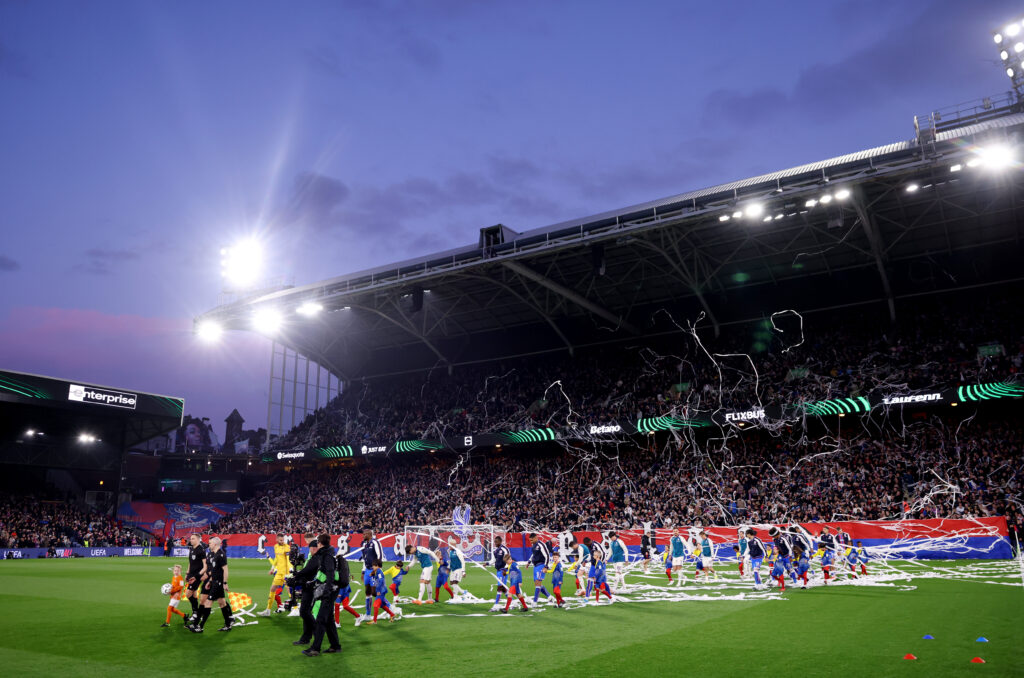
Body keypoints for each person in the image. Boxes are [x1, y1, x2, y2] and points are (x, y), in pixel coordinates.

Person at [305, 534, 341, 656]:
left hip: (329, 590)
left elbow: (330, 574)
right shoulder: (327, 554)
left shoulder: (327, 556)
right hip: (330, 589)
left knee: (321, 619)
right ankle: (335, 646)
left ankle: (315, 649)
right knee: (329, 619)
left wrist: (327, 591)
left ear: (320, 543)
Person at [190, 536, 233, 633]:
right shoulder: (214, 554)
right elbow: (214, 571)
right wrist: (209, 581)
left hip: (218, 583)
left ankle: (200, 627)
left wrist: (225, 583)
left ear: (215, 544)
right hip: (214, 581)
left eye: (210, 543)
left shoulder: (221, 555)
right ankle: (228, 624)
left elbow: (225, 570)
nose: (209, 544)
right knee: (222, 603)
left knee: (208, 603)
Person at [289, 533, 320, 646]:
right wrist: (298, 578)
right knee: (305, 612)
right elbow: (307, 570)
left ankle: (317, 633)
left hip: (312, 588)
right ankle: (306, 638)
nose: (309, 549)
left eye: (310, 546)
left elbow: (308, 570)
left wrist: (296, 577)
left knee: (305, 612)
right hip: (309, 587)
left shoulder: (317, 558)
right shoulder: (314, 557)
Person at [258, 533, 292, 617]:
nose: (282, 541)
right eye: (280, 540)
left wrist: (290, 570)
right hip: (279, 573)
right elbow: (276, 558)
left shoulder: (287, 547)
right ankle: (268, 610)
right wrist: (272, 568)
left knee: (289, 590)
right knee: (272, 588)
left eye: (283, 540)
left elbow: (288, 560)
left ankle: (295, 608)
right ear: (277, 540)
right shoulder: (275, 547)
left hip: (286, 572)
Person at [358, 528, 384, 623]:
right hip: (367, 571)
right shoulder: (365, 545)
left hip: (374, 571)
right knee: (367, 592)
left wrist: (376, 569)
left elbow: (380, 556)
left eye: (364, 534)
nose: (363, 536)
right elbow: (365, 559)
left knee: (375, 592)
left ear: (369, 534)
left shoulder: (375, 542)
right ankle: (368, 614)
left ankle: (389, 607)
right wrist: (363, 571)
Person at [333, 541, 359, 627]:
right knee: (344, 606)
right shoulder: (344, 562)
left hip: (341, 588)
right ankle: (357, 616)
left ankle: (337, 622)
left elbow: (336, 576)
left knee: (338, 605)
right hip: (346, 586)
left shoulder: (337, 563)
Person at [183, 533, 207, 622]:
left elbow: (205, 566)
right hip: (191, 574)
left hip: (197, 576)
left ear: (198, 539)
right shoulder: (192, 549)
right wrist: (187, 573)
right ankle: (196, 613)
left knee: (188, 594)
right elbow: (190, 562)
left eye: (193, 538)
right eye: (191, 538)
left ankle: (196, 613)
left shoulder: (201, 550)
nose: (191, 540)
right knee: (193, 594)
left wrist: (198, 576)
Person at [529, 533, 552, 605]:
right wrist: (529, 561)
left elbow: (547, 555)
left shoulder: (541, 544)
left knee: (538, 583)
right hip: (536, 566)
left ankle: (535, 602)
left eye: (532, 540)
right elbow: (534, 554)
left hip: (541, 565)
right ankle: (549, 596)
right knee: (537, 584)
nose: (531, 542)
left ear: (536, 538)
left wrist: (546, 566)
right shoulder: (534, 545)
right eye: (530, 540)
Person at [490, 536, 511, 611]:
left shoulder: (505, 549)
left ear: (500, 541)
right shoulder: (495, 551)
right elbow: (493, 560)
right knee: (503, 588)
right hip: (498, 571)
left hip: (503, 571)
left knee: (499, 587)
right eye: (495, 542)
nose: (495, 543)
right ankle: (512, 602)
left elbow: (509, 559)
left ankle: (496, 605)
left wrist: (506, 569)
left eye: (496, 542)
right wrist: (487, 563)